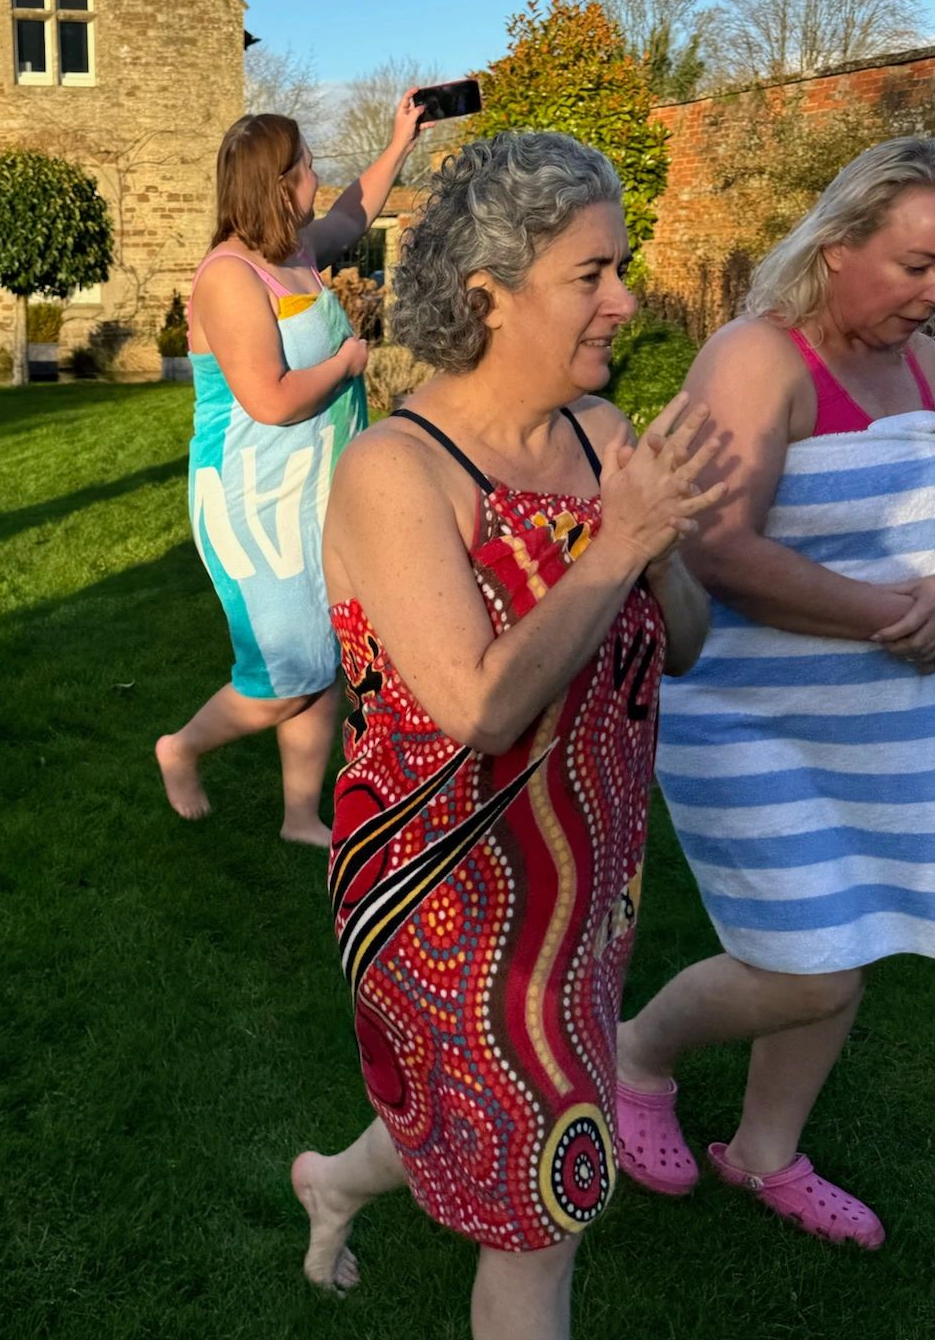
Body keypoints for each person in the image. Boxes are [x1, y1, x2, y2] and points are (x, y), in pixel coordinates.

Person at [290, 132, 723, 1340]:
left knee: (477, 1124)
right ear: (490, 294)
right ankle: (353, 1187)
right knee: (544, 1205)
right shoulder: (397, 471)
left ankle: (332, 1183)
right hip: (451, 902)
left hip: (588, 888)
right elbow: (478, 707)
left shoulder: (600, 436)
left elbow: (684, 646)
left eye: (619, 267)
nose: (625, 298)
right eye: (593, 274)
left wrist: (660, 545)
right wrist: (620, 545)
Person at [615, 136, 935, 1247]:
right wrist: (903, 616)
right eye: (917, 265)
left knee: (850, 931)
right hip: (746, 712)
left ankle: (765, 1153)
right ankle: (635, 1054)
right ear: (838, 243)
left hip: (884, 718)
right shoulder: (757, 359)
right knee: (813, 966)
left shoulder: (930, 368)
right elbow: (716, 550)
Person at [156, 93, 439, 845]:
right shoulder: (229, 277)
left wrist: (400, 141)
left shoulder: (296, 252)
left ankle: (299, 817)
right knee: (285, 670)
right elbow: (271, 399)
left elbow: (353, 212)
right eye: (308, 166)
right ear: (279, 185)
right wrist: (347, 363)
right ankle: (180, 749)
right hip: (255, 498)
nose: (318, 176)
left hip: (317, 488)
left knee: (324, 652)